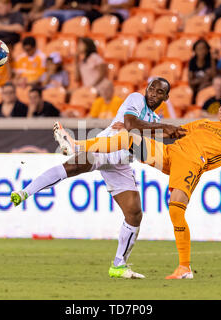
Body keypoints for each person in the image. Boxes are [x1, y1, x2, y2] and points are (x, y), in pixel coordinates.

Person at [56, 89, 221, 279]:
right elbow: (172, 131)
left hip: (191, 164)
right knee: (126, 137)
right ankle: (77, 145)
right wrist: (145, 126)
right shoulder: (203, 123)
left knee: (175, 209)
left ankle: (184, 268)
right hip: (169, 154)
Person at [10, 78, 186, 279]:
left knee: (135, 213)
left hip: (121, 161)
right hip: (106, 145)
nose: (153, 94)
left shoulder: (154, 118)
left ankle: (119, 266)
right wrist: (157, 127)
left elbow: (142, 141)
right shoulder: (136, 99)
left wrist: (169, 131)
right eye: (151, 89)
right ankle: (25, 192)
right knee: (72, 167)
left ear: (166, 97)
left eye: (159, 92)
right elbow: (131, 123)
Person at [188, 39, 217, 104]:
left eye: (203, 48)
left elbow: (214, 78)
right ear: (195, 51)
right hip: (197, 88)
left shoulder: (212, 61)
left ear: (207, 50)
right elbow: (190, 81)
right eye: (198, 49)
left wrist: (213, 60)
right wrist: (202, 80)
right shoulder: (192, 62)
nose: (201, 51)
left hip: (209, 87)